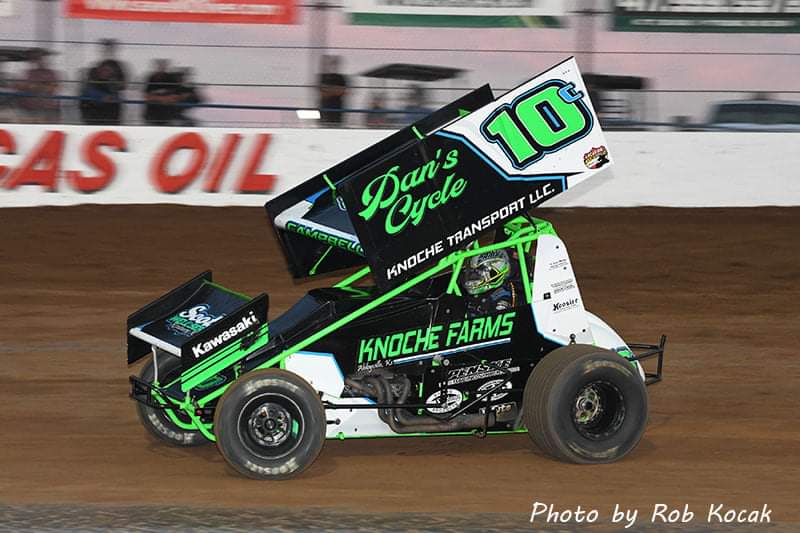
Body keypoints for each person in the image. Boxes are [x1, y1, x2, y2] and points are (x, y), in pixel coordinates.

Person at [82, 39, 128, 124]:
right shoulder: (95, 68)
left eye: (110, 48)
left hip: (112, 109)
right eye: (106, 48)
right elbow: (89, 87)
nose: (108, 51)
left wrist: (113, 81)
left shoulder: (119, 68)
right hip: (96, 109)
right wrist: (101, 96)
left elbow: (123, 86)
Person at [461, 249, 516, 314]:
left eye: (477, 276)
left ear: (494, 275)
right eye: (470, 275)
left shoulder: (503, 297)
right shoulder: (469, 292)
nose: (471, 281)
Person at [16, 49, 60, 124]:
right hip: (28, 110)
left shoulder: (51, 73)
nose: (36, 61)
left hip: (47, 110)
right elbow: (19, 86)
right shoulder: (28, 73)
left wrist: (33, 86)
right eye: (34, 58)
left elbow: (53, 88)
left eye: (39, 58)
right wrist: (39, 86)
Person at [143, 59, 179, 126]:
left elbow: (175, 97)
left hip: (168, 114)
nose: (161, 67)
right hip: (152, 114)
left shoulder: (172, 79)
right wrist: (162, 99)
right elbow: (146, 97)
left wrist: (157, 98)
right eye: (159, 65)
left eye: (163, 65)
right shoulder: (151, 78)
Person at [318, 55, 348, 126]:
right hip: (325, 110)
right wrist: (336, 91)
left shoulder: (341, 78)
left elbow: (343, 91)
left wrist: (329, 90)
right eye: (331, 64)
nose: (333, 66)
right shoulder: (323, 77)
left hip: (337, 110)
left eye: (334, 64)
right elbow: (323, 92)